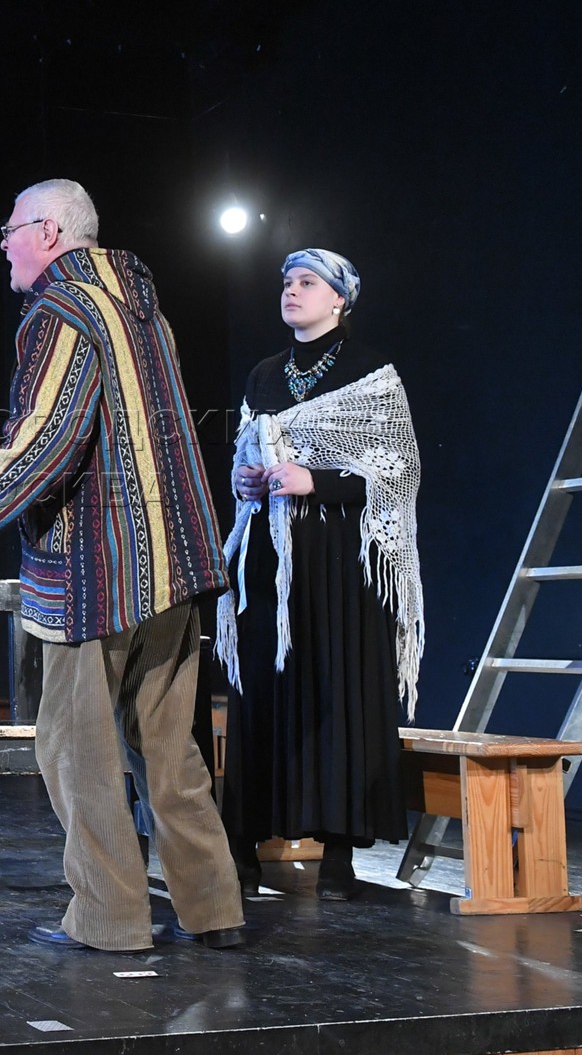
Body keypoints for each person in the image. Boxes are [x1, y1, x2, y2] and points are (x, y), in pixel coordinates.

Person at [0, 179, 244, 953]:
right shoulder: (145, 311)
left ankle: (110, 919)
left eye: (10, 229)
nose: (3, 244)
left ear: (48, 232)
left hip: (96, 576)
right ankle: (215, 910)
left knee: (77, 750)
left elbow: (47, 437)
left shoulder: (61, 310)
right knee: (169, 750)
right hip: (174, 567)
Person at [215, 249, 424, 900]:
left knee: (336, 689)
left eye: (307, 282)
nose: (292, 291)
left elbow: (398, 473)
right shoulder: (264, 374)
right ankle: (246, 846)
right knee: (263, 688)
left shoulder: (371, 373)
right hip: (271, 556)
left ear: (340, 299)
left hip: (337, 561)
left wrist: (317, 481)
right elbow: (246, 451)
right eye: (287, 282)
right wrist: (248, 481)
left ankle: (337, 856)